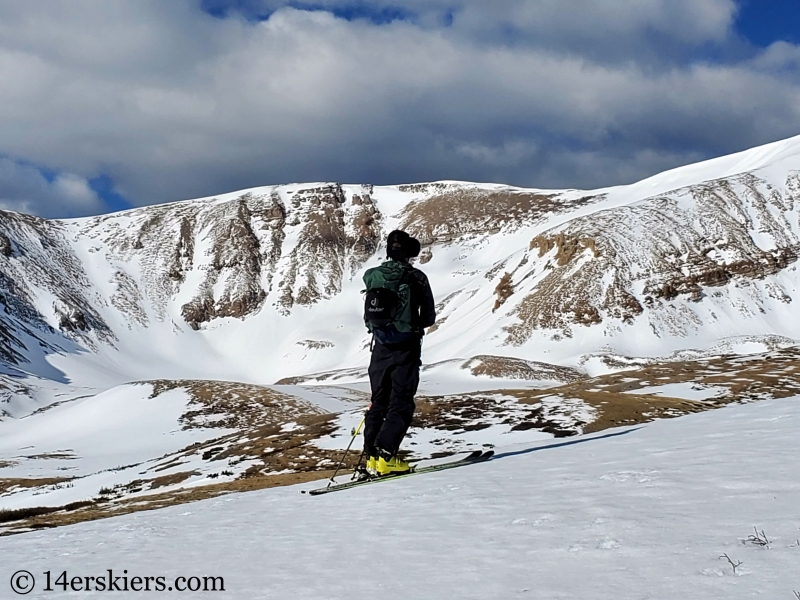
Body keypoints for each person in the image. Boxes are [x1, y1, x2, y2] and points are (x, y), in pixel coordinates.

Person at [362, 230, 435, 476]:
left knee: (378, 401)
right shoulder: (417, 277)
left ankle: (371, 458)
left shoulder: (373, 276)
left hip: (380, 347)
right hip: (407, 346)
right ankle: (385, 456)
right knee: (401, 400)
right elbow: (428, 317)